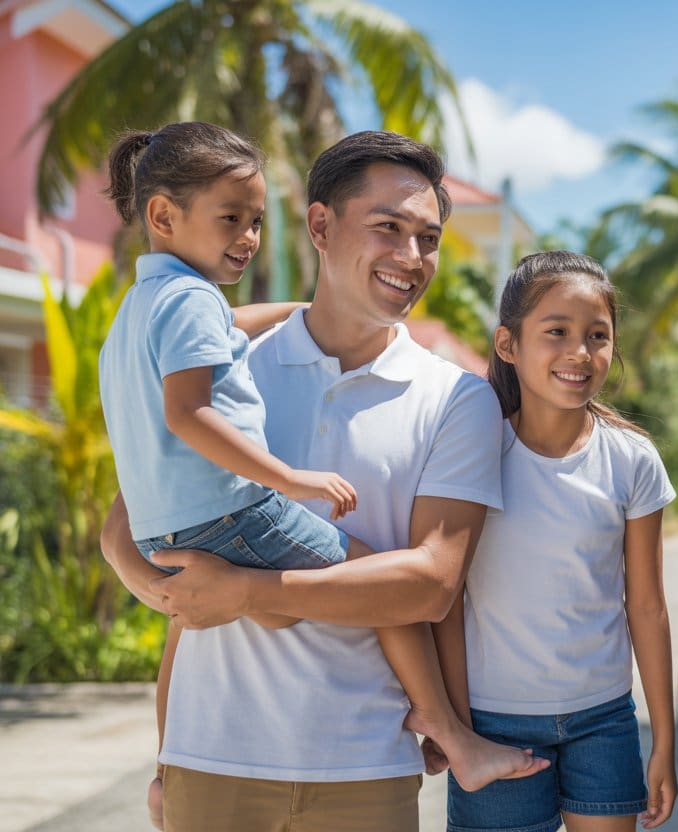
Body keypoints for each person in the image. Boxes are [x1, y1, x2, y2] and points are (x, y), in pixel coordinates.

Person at [101, 130, 546, 832]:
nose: (411, 257)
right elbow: (128, 519)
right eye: (388, 229)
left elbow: (431, 584)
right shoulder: (229, 364)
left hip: (363, 766)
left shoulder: (458, 400)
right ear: (319, 225)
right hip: (208, 757)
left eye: (427, 238)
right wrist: (172, 591)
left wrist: (244, 591)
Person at [446, 251, 678, 832]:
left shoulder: (632, 460)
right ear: (508, 345)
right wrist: (456, 726)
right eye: (557, 332)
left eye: (597, 336)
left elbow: (647, 607)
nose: (580, 353)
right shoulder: (473, 452)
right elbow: (444, 601)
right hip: (492, 720)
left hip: (603, 721)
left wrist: (664, 742)